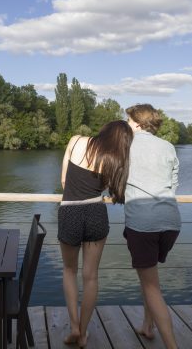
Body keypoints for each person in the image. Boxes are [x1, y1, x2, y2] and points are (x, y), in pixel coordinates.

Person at [58, 120, 133, 348]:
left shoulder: (76, 140)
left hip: (70, 211)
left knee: (69, 270)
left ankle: (73, 327)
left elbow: (63, 182)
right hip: (96, 213)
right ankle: (83, 333)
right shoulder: (115, 161)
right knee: (91, 276)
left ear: (106, 130)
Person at [124, 104, 181, 349]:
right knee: (150, 278)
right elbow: (173, 183)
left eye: (127, 120)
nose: (126, 124)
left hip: (142, 223)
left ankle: (171, 346)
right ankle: (147, 327)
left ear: (137, 123)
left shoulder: (126, 145)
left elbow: (115, 178)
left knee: (151, 285)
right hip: (170, 221)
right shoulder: (168, 146)